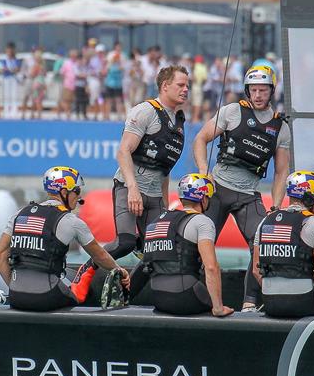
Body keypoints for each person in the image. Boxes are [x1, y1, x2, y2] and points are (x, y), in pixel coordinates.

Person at [70, 65, 190, 302]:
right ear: (165, 86)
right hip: (129, 186)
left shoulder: (178, 121)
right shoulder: (145, 111)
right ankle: (85, 271)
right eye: (181, 85)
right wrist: (133, 188)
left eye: (187, 86)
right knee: (125, 242)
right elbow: (123, 151)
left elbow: (165, 170)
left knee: (156, 250)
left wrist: (165, 207)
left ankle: (126, 295)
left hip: (155, 193)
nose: (186, 90)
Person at [193, 64, 291, 313]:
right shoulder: (232, 111)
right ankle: (197, 299)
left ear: (272, 91)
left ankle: (249, 303)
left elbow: (281, 172)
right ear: (247, 91)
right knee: (197, 245)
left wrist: (277, 204)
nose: (258, 95)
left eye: (263, 90)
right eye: (254, 90)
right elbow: (200, 139)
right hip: (217, 189)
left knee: (263, 243)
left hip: (248, 195)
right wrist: (204, 172)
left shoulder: (281, 127)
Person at [0, 166, 130, 312]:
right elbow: (100, 256)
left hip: (16, 297)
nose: (79, 197)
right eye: (77, 191)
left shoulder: (19, 214)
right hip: (47, 297)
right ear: (64, 192)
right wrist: (120, 270)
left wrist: (14, 288)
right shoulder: (72, 221)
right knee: (84, 296)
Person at [133, 174, 233, 317]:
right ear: (203, 199)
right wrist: (218, 308)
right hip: (184, 296)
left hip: (157, 297)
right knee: (217, 305)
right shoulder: (202, 221)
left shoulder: (156, 222)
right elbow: (211, 267)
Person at [251, 170, 314, 318]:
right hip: (303, 301)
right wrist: (305, 286)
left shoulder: (265, 221)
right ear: (309, 196)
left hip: (270, 301)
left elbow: (256, 270)